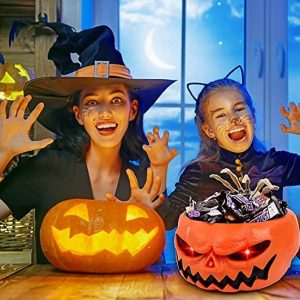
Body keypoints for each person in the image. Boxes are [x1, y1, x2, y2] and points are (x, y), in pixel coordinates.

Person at [0, 25, 177, 263]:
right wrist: (1, 154)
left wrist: (147, 214)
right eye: (92, 103)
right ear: (78, 114)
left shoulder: (143, 175)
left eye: (116, 100)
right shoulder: (48, 166)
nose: (104, 112)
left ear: (132, 110)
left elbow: (153, 259)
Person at [162, 66, 300, 229]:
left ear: (253, 116)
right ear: (209, 130)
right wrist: (159, 169)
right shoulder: (199, 172)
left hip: (271, 252)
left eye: (239, 109)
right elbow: (168, 219)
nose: (234, 118)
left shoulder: (277, 163)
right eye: (221, 115)